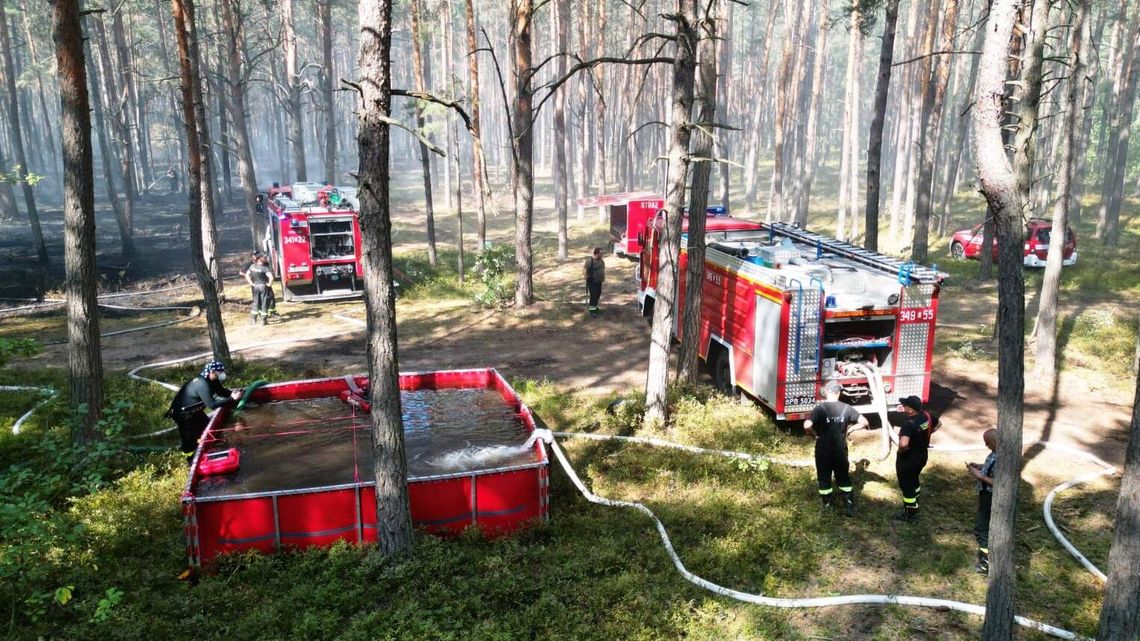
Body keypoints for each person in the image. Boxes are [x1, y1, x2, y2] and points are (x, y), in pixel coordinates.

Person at [804, 380, 869, 516]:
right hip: (840, 450)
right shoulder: (847, 408)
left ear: (826, 392)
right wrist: (851, 430)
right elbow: (864, 422)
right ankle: (849, 505)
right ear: (839, 393)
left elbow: (806, 425)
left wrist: (813, 433)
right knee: (844, 477)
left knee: (824, 477)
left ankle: (827, 504)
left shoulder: (820, 409)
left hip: (823, 450)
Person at [167, 360, 242, 455]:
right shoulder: (202, 384)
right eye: (220, 372)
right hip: (183, 414)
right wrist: (231, 399)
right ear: (212, 372)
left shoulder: (212, 379)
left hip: (195, 411)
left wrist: (232, 393)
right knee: (189, 441)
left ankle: (208, 450)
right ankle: (190, 458)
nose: (222, 374)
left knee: (208, 430)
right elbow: (212, 405)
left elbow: (221, 391)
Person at [894, 395, 939, 522]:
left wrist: (901, 450)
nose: (903, 407)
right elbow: (938, 424)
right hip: (922, 456)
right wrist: (925, 434)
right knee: (914, 479)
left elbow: (903, 444)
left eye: (905, 405)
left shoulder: (909, 424)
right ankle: (915, 500)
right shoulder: (926, 415)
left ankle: (910, 514)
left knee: (907, 486)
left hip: (908, 460)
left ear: (911, 410)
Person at [967, 429, 998, 575]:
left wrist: (979, 476)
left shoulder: (1003, 458)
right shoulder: (995, 453)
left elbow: (1000, 482)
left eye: (988, 442)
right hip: (985, 494)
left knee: (981, 528)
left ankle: (985, 562)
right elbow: (992, 469)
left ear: (996, 442)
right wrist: (980, 466)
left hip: (991, 496)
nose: (986, 445)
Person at [242, 251, 276, 325]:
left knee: (255, 302)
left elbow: (247, 275)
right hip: (263, 286)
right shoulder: (265, 268)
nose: (264, 258)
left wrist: (251, 283)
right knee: (264, 302)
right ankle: (263, 320)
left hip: (255, 286)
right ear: (259, 259)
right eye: (263, 257)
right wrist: (269, 284)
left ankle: (253, 319)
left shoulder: (252, 266)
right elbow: (271, 277)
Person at [584, 247, 606, 316]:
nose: (602, 254)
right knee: (593, 295)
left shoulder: (601, 260)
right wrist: (586, 276)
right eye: (601, 253)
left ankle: (595, 307)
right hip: (592, 281)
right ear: (597, 253)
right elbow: (585, 270)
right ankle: (592, 311)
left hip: (599, 281)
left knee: (598, 295)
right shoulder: (590, 260)